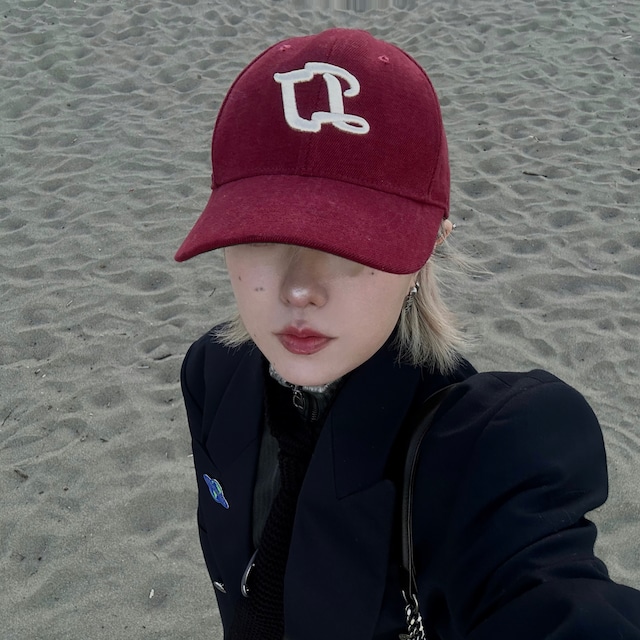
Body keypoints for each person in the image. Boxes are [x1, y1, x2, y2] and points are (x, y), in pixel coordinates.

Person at [174, 28, 640, 640]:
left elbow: (548, 596)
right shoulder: (213, 374)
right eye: (263, 235)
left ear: (430, 245)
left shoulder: (484, 451)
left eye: (349, 241)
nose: (299, 290)